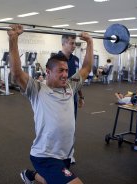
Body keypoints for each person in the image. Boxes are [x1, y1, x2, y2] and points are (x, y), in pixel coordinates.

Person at [7, 24, 93, 184]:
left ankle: (30, 176)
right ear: (48, 72)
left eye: (66, 71)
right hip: (45, 155)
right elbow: (17, 73)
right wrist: (13, 39)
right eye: (61, 70)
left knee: (51, 181)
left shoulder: (70, 86)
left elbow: (87, 68)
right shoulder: (37, 89)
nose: (65, 74)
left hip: (65, 154)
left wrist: (89, 42)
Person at [58, 34, 85, 164]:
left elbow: (77, 80)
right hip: (59, 100)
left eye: (75, 43)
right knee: (59, 127)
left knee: (71, 127)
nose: (74, 46)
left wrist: (81, 96)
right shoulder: (55, 59)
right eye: (72, 43)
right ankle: (57, 154)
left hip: (72, 100)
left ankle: (69, 153)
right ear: (64, 43)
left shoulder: (75, 59)